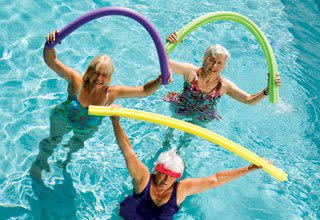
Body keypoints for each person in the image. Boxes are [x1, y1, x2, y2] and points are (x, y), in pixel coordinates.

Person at [30, 30, 166, 179]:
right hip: (63, 117)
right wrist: (50, 45)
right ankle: (41, 161)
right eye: (96, 73)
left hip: (87, 127)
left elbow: (144, 91)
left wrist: (159, 81)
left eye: (105, 75)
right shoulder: (77, 81)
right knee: (53, 140)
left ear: (110, 77)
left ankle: (65, 161)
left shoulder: (112, 93)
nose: (99, 78)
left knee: (76, 144)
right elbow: (52, 62)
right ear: (89, 71)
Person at [110, 116, 265, 219]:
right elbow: (128, 151)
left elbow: (216, 179)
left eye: (172, 176)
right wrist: (115, 122)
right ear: (156, 170)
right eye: (164, 174)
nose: (166, 179)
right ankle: (168, 137)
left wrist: (249, 169)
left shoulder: (182, 189)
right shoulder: (143, 179)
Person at [164, 31, 281, 122]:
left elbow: (249, 100)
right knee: (170, 131)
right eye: (211, 60)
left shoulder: (224, 86)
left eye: (219, 63)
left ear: (224, 66)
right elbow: (165, 62)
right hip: (182, 106)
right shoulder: (191, 72)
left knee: (186, 139)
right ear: (204, 59)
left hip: (203, 115)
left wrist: (267, 91)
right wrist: (170, 44)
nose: (214, 65)